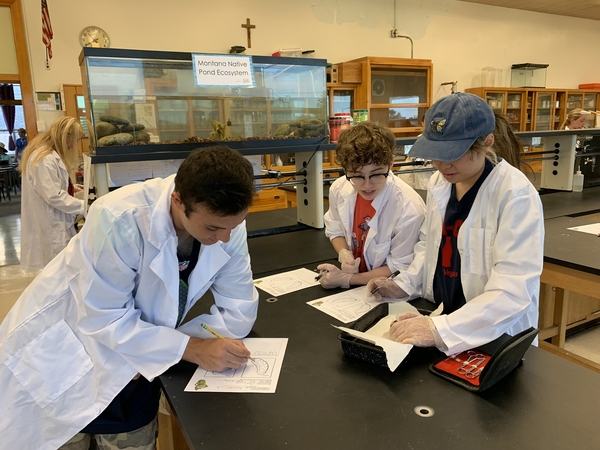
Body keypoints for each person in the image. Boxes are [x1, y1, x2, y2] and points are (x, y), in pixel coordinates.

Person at [0, 145, 259, 450]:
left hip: (135, 377)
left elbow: (239, 309)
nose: (225, 238)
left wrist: (162, 349)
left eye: (234, 226)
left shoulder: (226, 224)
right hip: (68, 356)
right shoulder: (119, 217)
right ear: (178, 201)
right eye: (213, 227)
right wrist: (190, 348)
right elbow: (103, 315)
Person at [368, 93, 544, 356]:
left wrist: (440, 329)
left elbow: (512, 291)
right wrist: (403, 285)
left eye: (453, 154)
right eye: (436, 154)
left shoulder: (515, 195)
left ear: (487, 142)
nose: (442, 164)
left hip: (493, 336)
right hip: (442, 317)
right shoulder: (441, 183)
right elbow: (429, 247)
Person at [317, 121, 426, 289]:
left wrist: (346, 279)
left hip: (390, 288)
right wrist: (344, 253)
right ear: (345, 169)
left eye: (376, 175)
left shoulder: (408, 208)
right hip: (358, 287)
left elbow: (399, 266)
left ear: (390, 164)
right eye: (357, 175)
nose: (367, 186)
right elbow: (335, 228)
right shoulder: (339, 188)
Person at [18, 117, 86, 269]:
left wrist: (69, 186)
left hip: (53, 220)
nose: (73, 145)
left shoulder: (46, 154)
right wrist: (86, 206)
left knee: (57, 271)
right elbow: (54, 196)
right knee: (58, 270)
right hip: (52, 225)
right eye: (75, 140)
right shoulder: (45, 159)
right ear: (65, 137)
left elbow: (47, 185)